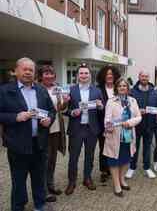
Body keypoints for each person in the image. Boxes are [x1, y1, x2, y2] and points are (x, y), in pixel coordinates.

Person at [0, 57, 56, 211]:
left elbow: (52, 110)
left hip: (39, 143)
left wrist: (49, 119)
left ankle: (39, 205)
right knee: (18, 180)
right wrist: (15, 117)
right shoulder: (5, 91)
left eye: (30, 70)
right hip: (18, 144)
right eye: (24, 69)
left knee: (39, 178)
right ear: (16, 71)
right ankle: (18, 206)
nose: (28, 72)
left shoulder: (41, 89)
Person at [65, 63, 104, 195]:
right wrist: (71, 112)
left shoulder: (97, 91)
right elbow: (65, 110)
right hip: (76, 128)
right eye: (81, 73)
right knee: (73, 157)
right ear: (77, 75)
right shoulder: (71, 90)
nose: (84, 75)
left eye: (86, 73)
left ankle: (87, 178)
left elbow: (101, 109)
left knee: (90, 155)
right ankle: (71, 181)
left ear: (90, 75)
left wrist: (100, 106)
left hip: (91, 128)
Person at [103, 78, 142, 197]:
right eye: (120, 86)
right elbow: (107, 119)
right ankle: (116, 185)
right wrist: (108, 126)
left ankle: (122, 179)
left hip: (128, 136)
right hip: (115, 135)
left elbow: (139, 116)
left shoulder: (133, 101)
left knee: (126, 159)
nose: (122, 88)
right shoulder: (111, 101)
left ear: (127, 88)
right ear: (116, 88)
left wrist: (130, 123)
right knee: (114, 161)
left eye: (124, 86)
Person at [38, 65, 70, 203]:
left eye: (51, 74)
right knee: (43, 161)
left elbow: (60, 108)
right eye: (46, 73)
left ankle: (50, 185)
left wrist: (65, 102)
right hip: (43, 129)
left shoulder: (57, 88)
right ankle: (43, 190)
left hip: (56, 128)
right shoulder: (37, 88)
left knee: (52, 160)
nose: (49, 76)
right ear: (41, 75)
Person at [126, 71, 157, 179]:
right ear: (139, 77)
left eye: (146, 76)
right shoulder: (132, 92)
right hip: (136, 126)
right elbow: (127, 108)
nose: (144, 78)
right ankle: (132, 167)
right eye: (142, 76)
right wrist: (136, 111)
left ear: (149, 78)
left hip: (149, 125)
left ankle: (147, 168)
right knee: (134, 147)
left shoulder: (155, 92)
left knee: (147, 148)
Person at [97, 65, 121, 183]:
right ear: (103, 76)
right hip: (102, 124)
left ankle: (115, 168)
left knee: (115, 146)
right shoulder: (98, 89)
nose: (109, 76)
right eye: (107, 75)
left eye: (111, 74)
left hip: (118, 124)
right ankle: (104, 170)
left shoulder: (119, 88)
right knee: (103, 147)